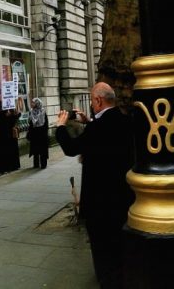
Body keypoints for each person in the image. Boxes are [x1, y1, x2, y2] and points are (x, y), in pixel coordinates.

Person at [55, 82, 134, 288]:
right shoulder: (125, 120)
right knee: (120, 245)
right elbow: (104, 139)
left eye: (92, 100)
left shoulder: (98, 128)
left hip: (100, 201)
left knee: (103, 250)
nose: (91, 103)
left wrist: (61, 127)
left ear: (98, 100)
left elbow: (72, 148)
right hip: (123, 197)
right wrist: (89, 121)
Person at [27, 98, 49, 169]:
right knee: (35, 150)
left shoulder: (43, 112)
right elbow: (30, 123)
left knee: (42, 150)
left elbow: (46, 124)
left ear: (37, 103)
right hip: (34, 134)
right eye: (32, 103)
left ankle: (43, 164)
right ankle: (36, 164)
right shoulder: (31, 112)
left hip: (42, 134)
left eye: (33, 103)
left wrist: (44, 133)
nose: (31, 104)